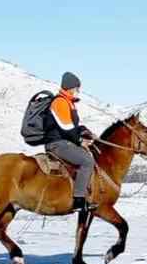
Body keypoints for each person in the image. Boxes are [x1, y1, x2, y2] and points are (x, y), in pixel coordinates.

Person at [43, 72, 98, 212]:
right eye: (76, 88)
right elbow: (66, 128)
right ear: (70, 87)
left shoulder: (68, 102)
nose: (77, 91)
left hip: (64, 141)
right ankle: (79, 200)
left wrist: (86, 132)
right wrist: (81, 141)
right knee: (87, 161)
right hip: (57, 143)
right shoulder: (60, 102)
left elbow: (73, 127)